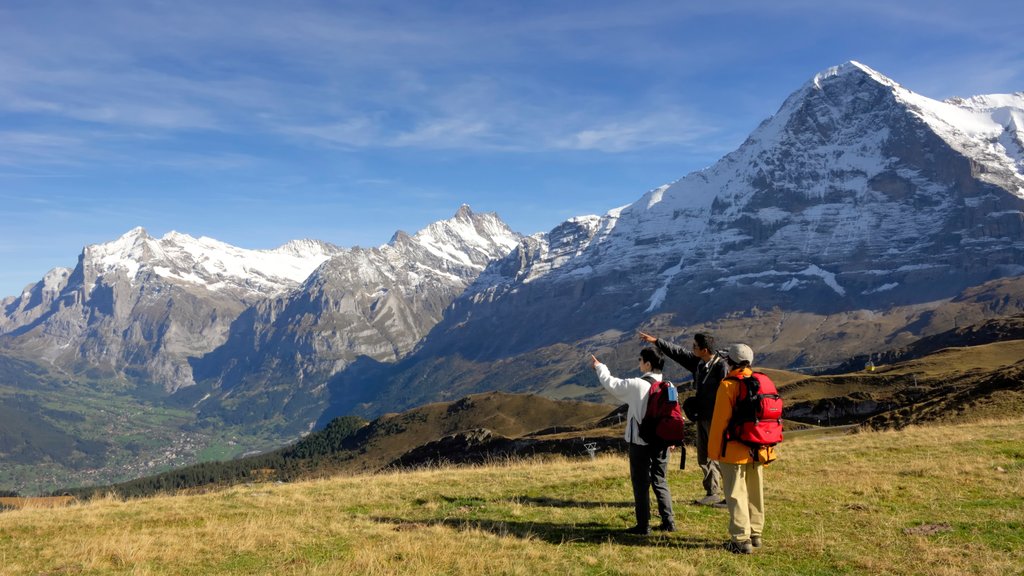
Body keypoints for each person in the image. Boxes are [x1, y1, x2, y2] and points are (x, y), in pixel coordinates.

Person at [590, 348, 676, 535]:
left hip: (640, 442)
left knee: (640, 483)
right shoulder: (669, 386)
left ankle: (643, 525)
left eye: (640, 359)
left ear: (648, 364)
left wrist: (599, 367)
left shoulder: (637, 385)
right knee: (660, 480)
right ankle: (669, 522)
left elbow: (611, 383)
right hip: (662, 443)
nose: (638, 362)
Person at [638, 331, 727, 507]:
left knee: (721, 456)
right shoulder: (700, 364)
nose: (691, 348)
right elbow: (678, 353)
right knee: (704, 457)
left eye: (695, 346)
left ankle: (731, 495)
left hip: (717, 418)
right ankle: (712, 492)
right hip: (702, 417)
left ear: (705, 349)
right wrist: (657, 341)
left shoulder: (721, 366)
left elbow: (727, 394)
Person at [708, 343, 778, 554]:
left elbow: (720, 421)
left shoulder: (728, 385)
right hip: (759, 446)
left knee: (736, 493)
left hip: (734, 449)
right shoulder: (762, 381)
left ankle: (741, 539)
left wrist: (714, 452)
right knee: (755, 492)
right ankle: (756, 534)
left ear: (730, 362)